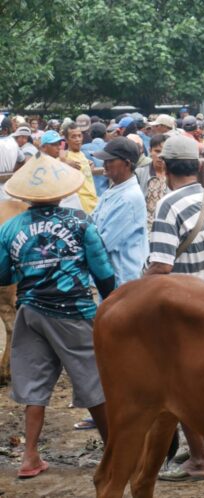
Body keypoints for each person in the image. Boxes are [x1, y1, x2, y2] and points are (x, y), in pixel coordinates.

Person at [0, 153, 116, 478]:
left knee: (34, 383)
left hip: (30, 312)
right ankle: (113, 451)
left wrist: (30, 268)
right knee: (93, 379)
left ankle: (30, 456)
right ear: (62, 190)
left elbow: (3, 275)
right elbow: (103, 270)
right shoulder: (79, 221)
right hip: (74, 312)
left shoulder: (10, 228)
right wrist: (111, 303)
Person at [144, 135, 204, 482]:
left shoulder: (168, 204)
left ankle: (200, 460)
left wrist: (136, 290)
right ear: (198, 166)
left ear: (163, 167)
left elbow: (162, 266)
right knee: (202, 382)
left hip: (181, 309)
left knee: (179, 385)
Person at [91, 138, 149, 286]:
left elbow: (103, 243)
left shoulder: (129, 198)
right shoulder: (115, 189)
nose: (105, 164)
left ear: (127, 164)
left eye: (110, 160)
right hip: (112, 275)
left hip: (124, 279)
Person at [60, 125, 98, 214]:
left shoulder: (82, 155)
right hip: (80, 207)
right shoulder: (65, 157)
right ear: (66, 139)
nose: (77, 139)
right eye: (73, 137)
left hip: (93, 204)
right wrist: (63, 161)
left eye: (79, 136)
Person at [136, 134, 169, 233]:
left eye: (164, 152)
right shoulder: (140, 173)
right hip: (145, 228)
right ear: (150, 151)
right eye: (157, 151)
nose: (160, 156)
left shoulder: (175, 175)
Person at [81, 122, 110, 196]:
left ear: (90, 134)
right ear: (105, 134)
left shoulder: (82, 148)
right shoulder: (111, 147)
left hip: (88, 194)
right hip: (106, 193)